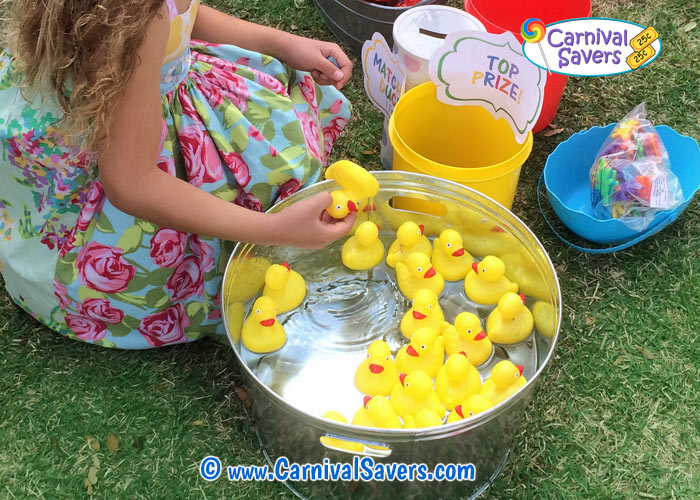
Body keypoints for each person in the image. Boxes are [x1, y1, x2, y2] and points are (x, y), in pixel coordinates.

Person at [0, 0, 357, 348]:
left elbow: (184, 14)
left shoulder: (143, 17)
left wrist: (282, 43)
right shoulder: (137, 19)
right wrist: (274, 231)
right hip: (119, 144)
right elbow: (132, 183)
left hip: (141, 85)